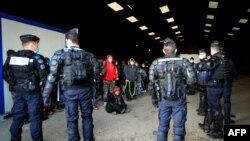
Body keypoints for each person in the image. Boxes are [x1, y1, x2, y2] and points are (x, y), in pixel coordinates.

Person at [42, 28, 100, 141]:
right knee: (87, 117)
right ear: (78, 41)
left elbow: (52, 76)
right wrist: (96, 92)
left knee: (71, 119)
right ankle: (89, 139)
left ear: (68, 41)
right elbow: (96, 74)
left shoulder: (59, 54)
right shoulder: (89, 55)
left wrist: (45, 96)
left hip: (69, 91)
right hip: (86, 91)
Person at [148, 37, 197, 141]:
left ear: (163, 51)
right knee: (179, 128)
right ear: (176, 50)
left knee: (162, 127)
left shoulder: (156, 63)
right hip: (179, 100)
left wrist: (154, 99)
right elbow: (192, 80)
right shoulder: (184, 61)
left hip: (163, 100)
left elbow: (151, 83)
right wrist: (188, 90)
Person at [3, 34, 47, 141]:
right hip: (33, 94)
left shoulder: (12, 57)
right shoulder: (37, 58)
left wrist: (14, 84)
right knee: (35, 119)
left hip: (18, 93)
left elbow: (5, 72)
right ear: (33, 44)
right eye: (37, 44)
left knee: (17, 118)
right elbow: (44, 77)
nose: (37, 47)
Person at [198, 40, 231, 139]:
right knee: (211, 108)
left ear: (212, 49)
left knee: (216, 110)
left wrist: (202, 60)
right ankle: (207, 126)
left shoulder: (216, 57)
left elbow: (204, 67)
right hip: (220, 85)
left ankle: (219, 131)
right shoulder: (225, 57)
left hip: (214, 87)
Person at [196, 49, 211, 116]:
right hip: (201, 82)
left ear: (204, 55)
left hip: (206, 83)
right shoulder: (200, 63)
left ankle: (203, 111)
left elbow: (200, 68)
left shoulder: (208, 63)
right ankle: (201, 108)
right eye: (200, 54)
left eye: (201, 54)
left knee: (204, 97)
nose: (200, 55)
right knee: (202, 96)